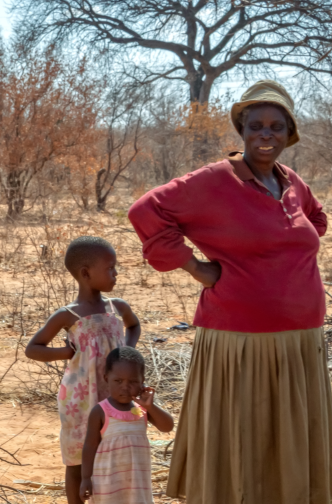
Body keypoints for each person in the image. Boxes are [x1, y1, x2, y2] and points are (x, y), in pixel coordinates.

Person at [128, 80, 332, 504]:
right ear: (242, 130)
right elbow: (144, 211)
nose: (265, 134)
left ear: (289, 133)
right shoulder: (216, 180)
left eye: (276, 126)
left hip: (302, 336)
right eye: (255, 125)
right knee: (245, 431)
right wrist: (197, 266)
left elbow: (316, 220)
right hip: (239, 338)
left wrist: (287, 256)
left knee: (289, 435)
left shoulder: (291, 181)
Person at [25, 236, 141, 504]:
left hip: (114, 395)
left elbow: (134, 325)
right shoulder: (68, 316)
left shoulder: (117, 307)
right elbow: (33, 348)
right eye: (110, 268)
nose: (116, 273)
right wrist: (65, 353)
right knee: (77, 460)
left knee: (112, 451)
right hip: (79, 400)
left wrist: (127, 350)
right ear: (86, 274)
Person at [80, 347, 174, 504]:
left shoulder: (143, 409)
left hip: (137, 484)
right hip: (107, 483)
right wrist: (85, 478)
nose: (125, 386)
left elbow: (167, 426)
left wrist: (150, 406)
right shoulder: (100, 411)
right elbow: (89, 447)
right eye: (118, 381)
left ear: (142, 381)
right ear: (106, 378)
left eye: (133, 381)